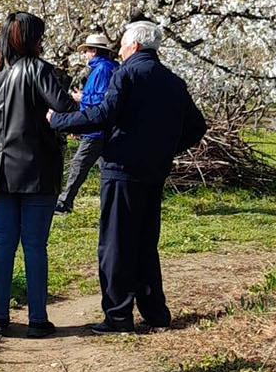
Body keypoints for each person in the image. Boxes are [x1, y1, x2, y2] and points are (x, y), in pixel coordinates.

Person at [50, 20, 207, 334]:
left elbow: (104, 115)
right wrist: (166, 148)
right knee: (146, 243)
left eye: (122, 43)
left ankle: (118, 316)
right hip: (154, 170)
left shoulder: (127, 74)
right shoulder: (173, 81)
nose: (119, 49)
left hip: (122, 170)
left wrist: (60, 120)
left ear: (134, 45)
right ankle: (155, 313)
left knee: (116, 244)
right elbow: (196, 126)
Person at [0, 12, 75, 339]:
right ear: (32, 39)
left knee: (2, 242)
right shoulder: (39, 70)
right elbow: (64, 108)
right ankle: (37, 319)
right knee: (34, 245)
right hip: (36, 169)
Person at [53, 33, 118, 215]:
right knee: (105, 167)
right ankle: (110, 205)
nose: (84, 55)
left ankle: (64, 203)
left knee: (79, 165)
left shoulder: (102, 70)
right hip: (102, 128)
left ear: (94, 51)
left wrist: (81, 97)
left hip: (96, 130)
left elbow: (102, 99)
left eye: (87, 51)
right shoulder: (111, 67)